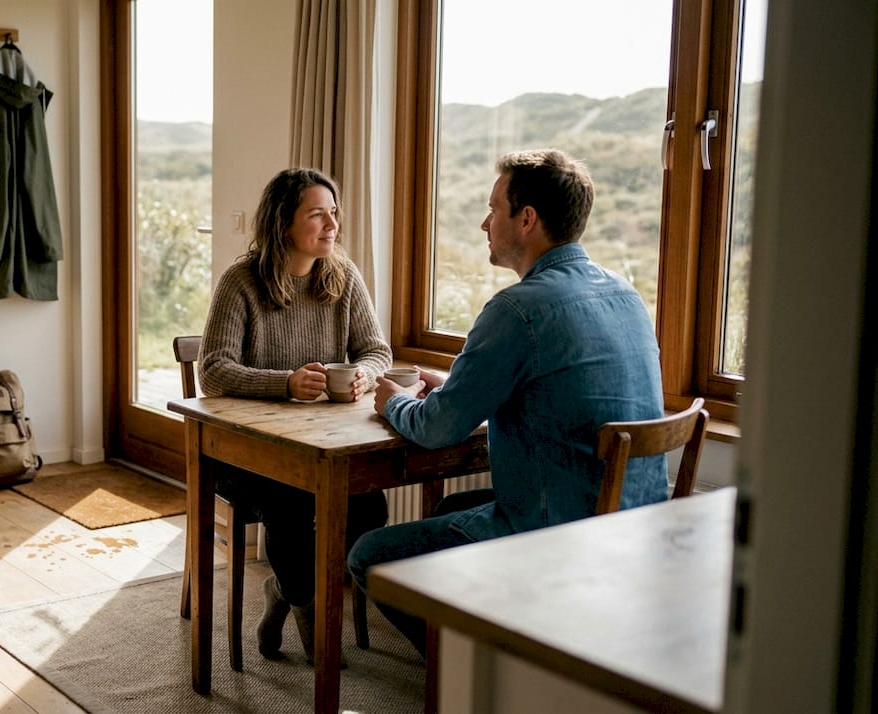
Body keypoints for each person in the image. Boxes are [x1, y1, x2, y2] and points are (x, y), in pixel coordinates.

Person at [347, 149, 667, 657]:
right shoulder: (626, 295)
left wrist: (393, 401)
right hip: (636, 528)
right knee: (454, 508)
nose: (483, 222)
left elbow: (435, 429)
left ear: (527, 219)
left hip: (556, 540)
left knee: (369, 554)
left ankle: (473, 679)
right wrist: (456, 383)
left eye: (493, 208)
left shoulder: (517, 309)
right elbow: (552, 385)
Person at [198, 167, 392, 663]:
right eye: (317, 215)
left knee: (370, 506)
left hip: (322, 443)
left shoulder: (343, 278)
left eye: (334, 214)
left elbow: (376, 350)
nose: (332, 226)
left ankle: (287, 595)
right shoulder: (241, 283)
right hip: (245, 455)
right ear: (285, 223)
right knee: (289, 502)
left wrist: (365, 376)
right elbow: (213, 371)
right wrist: (283, 383)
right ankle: (310, 607)